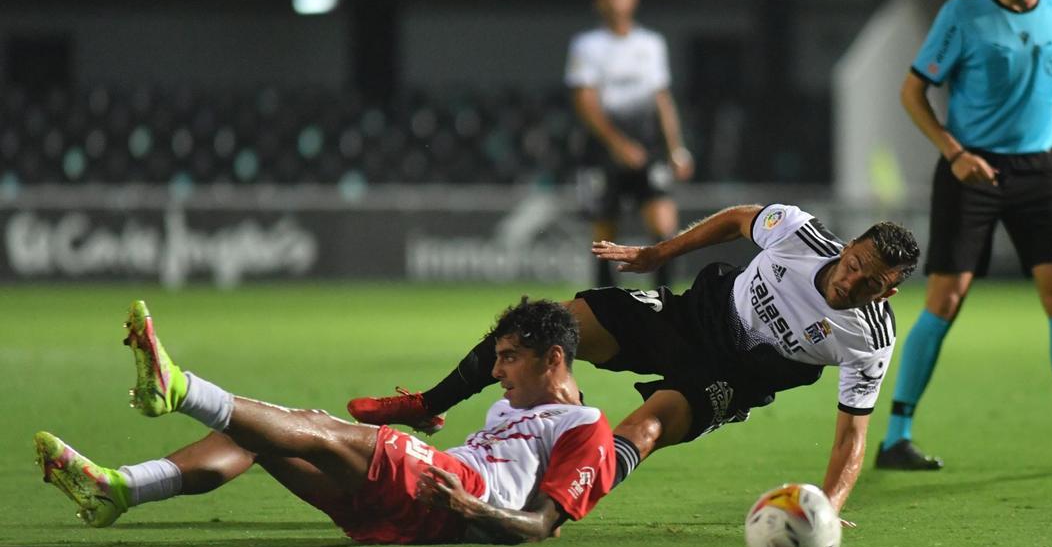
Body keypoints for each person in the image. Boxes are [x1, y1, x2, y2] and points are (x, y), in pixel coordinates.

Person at [349, 204, 920, 524]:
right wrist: (657, 255)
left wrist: (829, 508)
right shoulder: (799, 233)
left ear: (888, 292)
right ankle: (428, 404)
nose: (852, 282)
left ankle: (543, 511)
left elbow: (851, 435)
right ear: (847, 247)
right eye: (854, 263)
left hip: (731, 377)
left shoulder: (868, 338)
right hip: (686, 317)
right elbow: (738, 219)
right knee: (545, 323)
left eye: (871, 283)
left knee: (644, 428)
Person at [36, 299, 614, 544]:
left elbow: (543, 526)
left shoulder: (586, 425)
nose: (496, 369)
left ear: (554, 359)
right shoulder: (510, 408)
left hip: (453, 499)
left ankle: (179, 387)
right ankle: (120, 489)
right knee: (256, 437)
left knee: (317, 425)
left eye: (509, 357)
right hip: (422, 505)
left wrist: (469, 508)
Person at [875, 0, 1052, 472]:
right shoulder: (963, 14)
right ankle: (896, 438)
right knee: (945, 299)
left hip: (1040, 169)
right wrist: (953, 152)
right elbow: (913, 92)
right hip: (972, 169)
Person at [565, 0, 694, 289]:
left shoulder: (650, 44)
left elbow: (662, 99)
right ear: (599, 3)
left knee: (664, 227)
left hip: (647, 145)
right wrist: (617, 144)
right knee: (604, 236)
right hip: (602, 149)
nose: (615, 1)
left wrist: (676, 148)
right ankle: (604, 311)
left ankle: (664, 305)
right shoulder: (587, 46)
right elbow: (585, 102)